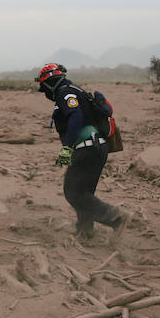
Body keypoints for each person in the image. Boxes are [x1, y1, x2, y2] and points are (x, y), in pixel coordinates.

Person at [35, 63, 128, 241]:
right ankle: (85, 230)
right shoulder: (75, 90)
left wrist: (66, 148)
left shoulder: (65, 92)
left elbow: (75, 117)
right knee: (84, 192)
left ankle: (116, 217)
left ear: (49, 83)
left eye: (44, 87)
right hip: (97, 147)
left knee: (73, 191)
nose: (45, 92)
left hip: (87, 148)